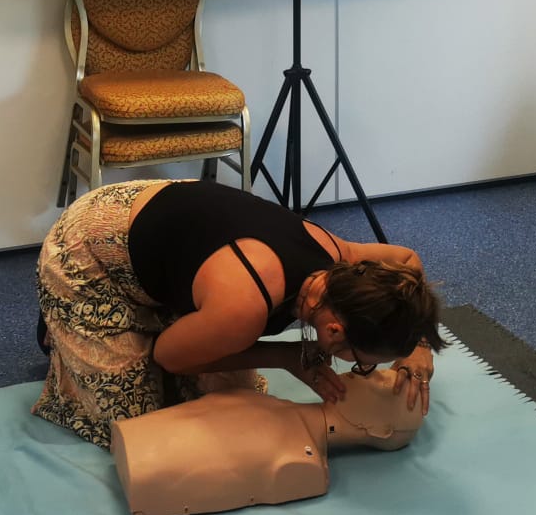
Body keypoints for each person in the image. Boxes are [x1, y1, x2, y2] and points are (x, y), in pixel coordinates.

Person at [33, 177, 444, 449]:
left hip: (177, 227)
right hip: (93, 244)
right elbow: (168, 357)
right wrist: (283, 356)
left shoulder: (341, 261)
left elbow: (407, 260)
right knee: (136, 425)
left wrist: (419, 346)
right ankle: (63, 322)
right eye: (360, 362)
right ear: (335, 331)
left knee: (232, 399)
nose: (355, 368)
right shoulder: (244, 311)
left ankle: (159, 312)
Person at [111, 367, 425, 515]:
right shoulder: (272, 403)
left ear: (380, 430)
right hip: (131, 438)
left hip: (140, 471)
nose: (369, 373)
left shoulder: (302, 464)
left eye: (383, 385)